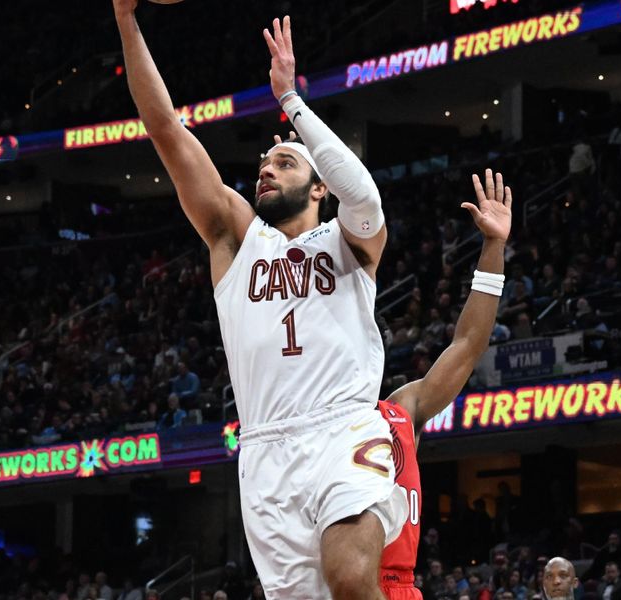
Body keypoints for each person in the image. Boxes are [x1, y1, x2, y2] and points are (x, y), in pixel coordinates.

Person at [113, 4, 404, 599]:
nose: (265, 170)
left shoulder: (352, 241)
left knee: (351, 581)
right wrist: (125, 18)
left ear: (319, 185)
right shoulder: (235, 239)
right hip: (265, 448)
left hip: (343, 427)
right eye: (264, 162)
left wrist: (291, 101)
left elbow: (365, 193)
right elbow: (164, 128)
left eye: (285, 161)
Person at [377, 170, 512, 600]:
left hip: (400, 586)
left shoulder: (400, 410)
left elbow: (468, 344)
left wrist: (492, 247)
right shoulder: (313, 414)